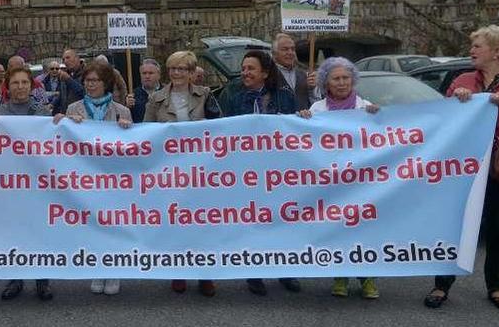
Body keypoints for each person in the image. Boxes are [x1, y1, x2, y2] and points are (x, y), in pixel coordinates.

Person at [424, 25, 499, 312]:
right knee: (455, 228)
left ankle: (496, 287)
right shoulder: (463, 79)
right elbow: (444, 119)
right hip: (465, 167)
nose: (471, 51)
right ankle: (441, 285)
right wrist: (455, 100)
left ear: (496, 51)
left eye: (477, 46)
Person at [296, 57, 380, 299]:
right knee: (339, 230)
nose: (342, 83)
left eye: (346, 78)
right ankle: (340, 277)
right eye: (336, 79)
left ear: (353, 80)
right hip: (332, 183)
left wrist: (379, 117)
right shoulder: (316, 111)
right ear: (326, 83)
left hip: (361, 182)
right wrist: (302, 121)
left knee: (364, 231)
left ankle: (368, 279)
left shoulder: (367, 108)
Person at [217, 50, 298, 296]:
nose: (245, 73)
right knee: (251, 220)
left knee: (281, 219)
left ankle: (286, 270)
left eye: (250, 68)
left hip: (277, 171)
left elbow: (296, 127)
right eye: (243, 68)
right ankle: (254, 271)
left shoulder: (284, 97)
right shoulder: (231, 95)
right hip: (244, 171)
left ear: (264, 72)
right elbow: (219, 127)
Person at [144, 51, 220, 297]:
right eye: (173, 69)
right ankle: (178, 270)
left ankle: (205, 273)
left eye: (182, 69)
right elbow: (146, 134)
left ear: (192, 72)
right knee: (176, 222)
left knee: (202, 223)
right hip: (170, 170)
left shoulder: (206, 95)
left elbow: (222, 127)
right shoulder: (156, 99)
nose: (177, 73)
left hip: (201, 170)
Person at [56, 62, 132, 295]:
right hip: (86, 178)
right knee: (94, 225)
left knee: (114, 224)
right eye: (87, 80)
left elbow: (134, 146)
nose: (89, 85)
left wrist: (127, 129)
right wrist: (64, 122)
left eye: (95, 80)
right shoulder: (74, 109)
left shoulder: (121, 110)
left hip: (113, 178)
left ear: (105, 83)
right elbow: (61, 140)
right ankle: (98, 268)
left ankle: (114, 270)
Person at [0, 66, 54, 301]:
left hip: (38, 181)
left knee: (40, 230)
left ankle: (43, 280)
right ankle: (15, 278)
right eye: (15, 83)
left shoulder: (43, 112)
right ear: (8, 87)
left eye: (25, 83)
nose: (20, 87)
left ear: (32, 86)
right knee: (14, 229)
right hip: (11, 181)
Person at [273, 33, 318, 111]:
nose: (290, 52)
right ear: (274, 53)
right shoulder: (268, 74)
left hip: (300, 122)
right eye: (285, 49)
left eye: (293, 49)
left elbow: (314, 105)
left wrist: (312, 89)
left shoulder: (304, 75)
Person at [126, 58, 162, 123]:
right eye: (144, 73)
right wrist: (126, 107)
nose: (147, 76)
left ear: (159, 75)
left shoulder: (166, 93)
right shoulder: (132, 95)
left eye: (151, 73)